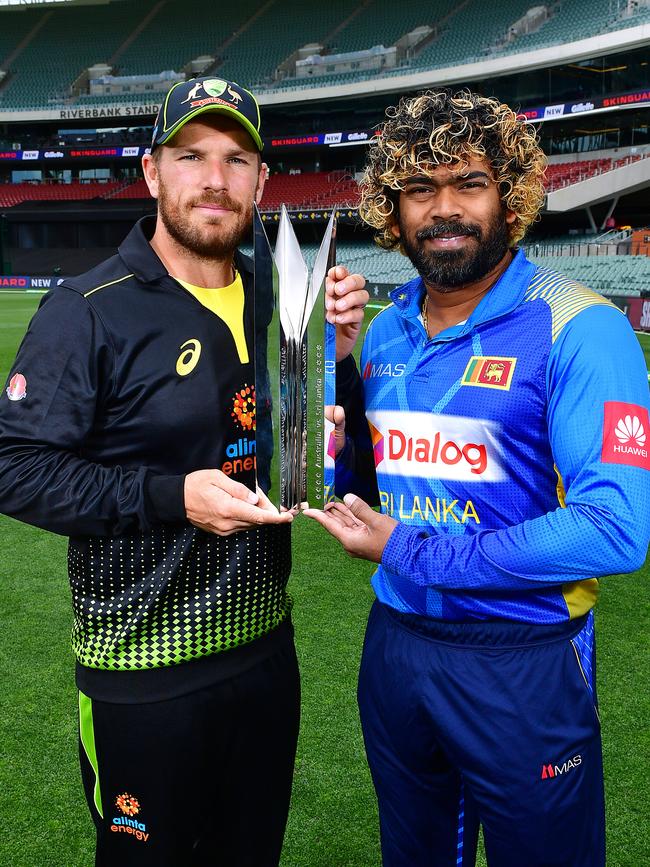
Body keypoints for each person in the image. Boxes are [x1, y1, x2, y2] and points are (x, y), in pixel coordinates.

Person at [0, 76, 367, 866]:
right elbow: (14, 466)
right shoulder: (87, 307)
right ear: (152, 171)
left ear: (262, 182)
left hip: (266, 652)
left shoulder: (275, 284)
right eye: (191, 155)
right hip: (141, 671)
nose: (214, 180)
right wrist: (172, 496)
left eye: (237, 160)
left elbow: (287, 422)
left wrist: (340, 367)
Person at [307, 89, 650, 867]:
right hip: (396, 650)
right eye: (419, 190)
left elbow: (615, 527)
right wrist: (342, 387)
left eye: (468, 182)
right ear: (392, 211)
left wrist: (417, 552)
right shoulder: (385, 327)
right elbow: (366, 483)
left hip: (521, 657)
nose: (444, 209)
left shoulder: (582, 327)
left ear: (511, 195)